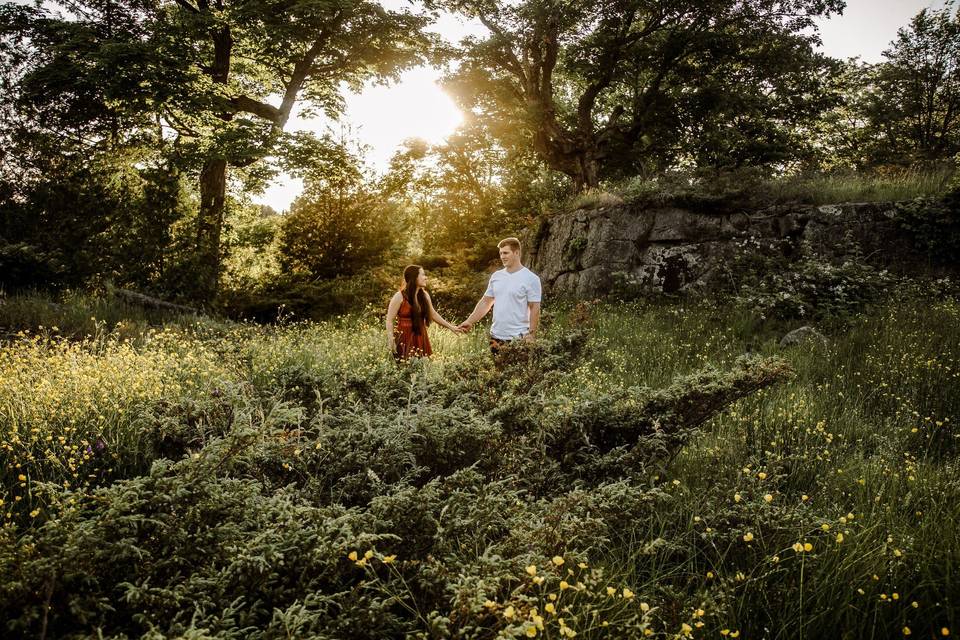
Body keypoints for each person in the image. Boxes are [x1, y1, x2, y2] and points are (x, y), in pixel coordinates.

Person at [458, 237, 542, 351]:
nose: (502, 256)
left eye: (506, 253)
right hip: (496, 337)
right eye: (501, 253)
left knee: (517, 369)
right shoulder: (496, 276)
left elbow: (534, 308)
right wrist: (469, 321)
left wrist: (531, 334)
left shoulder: (531, 279)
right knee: (496, 369)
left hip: (519, 338)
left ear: (516, 253)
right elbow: (486, 302)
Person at [386, 265, 462, 361]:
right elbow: (390, 320)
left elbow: (433, 314)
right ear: (414, 278)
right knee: (404, 368)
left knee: (422, 366)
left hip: (420, 336)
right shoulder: (399, 296)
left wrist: (451, 327)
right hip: (404, 338)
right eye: (423, 274)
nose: (425, 277)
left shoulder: (424, 295)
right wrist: (391, 340)